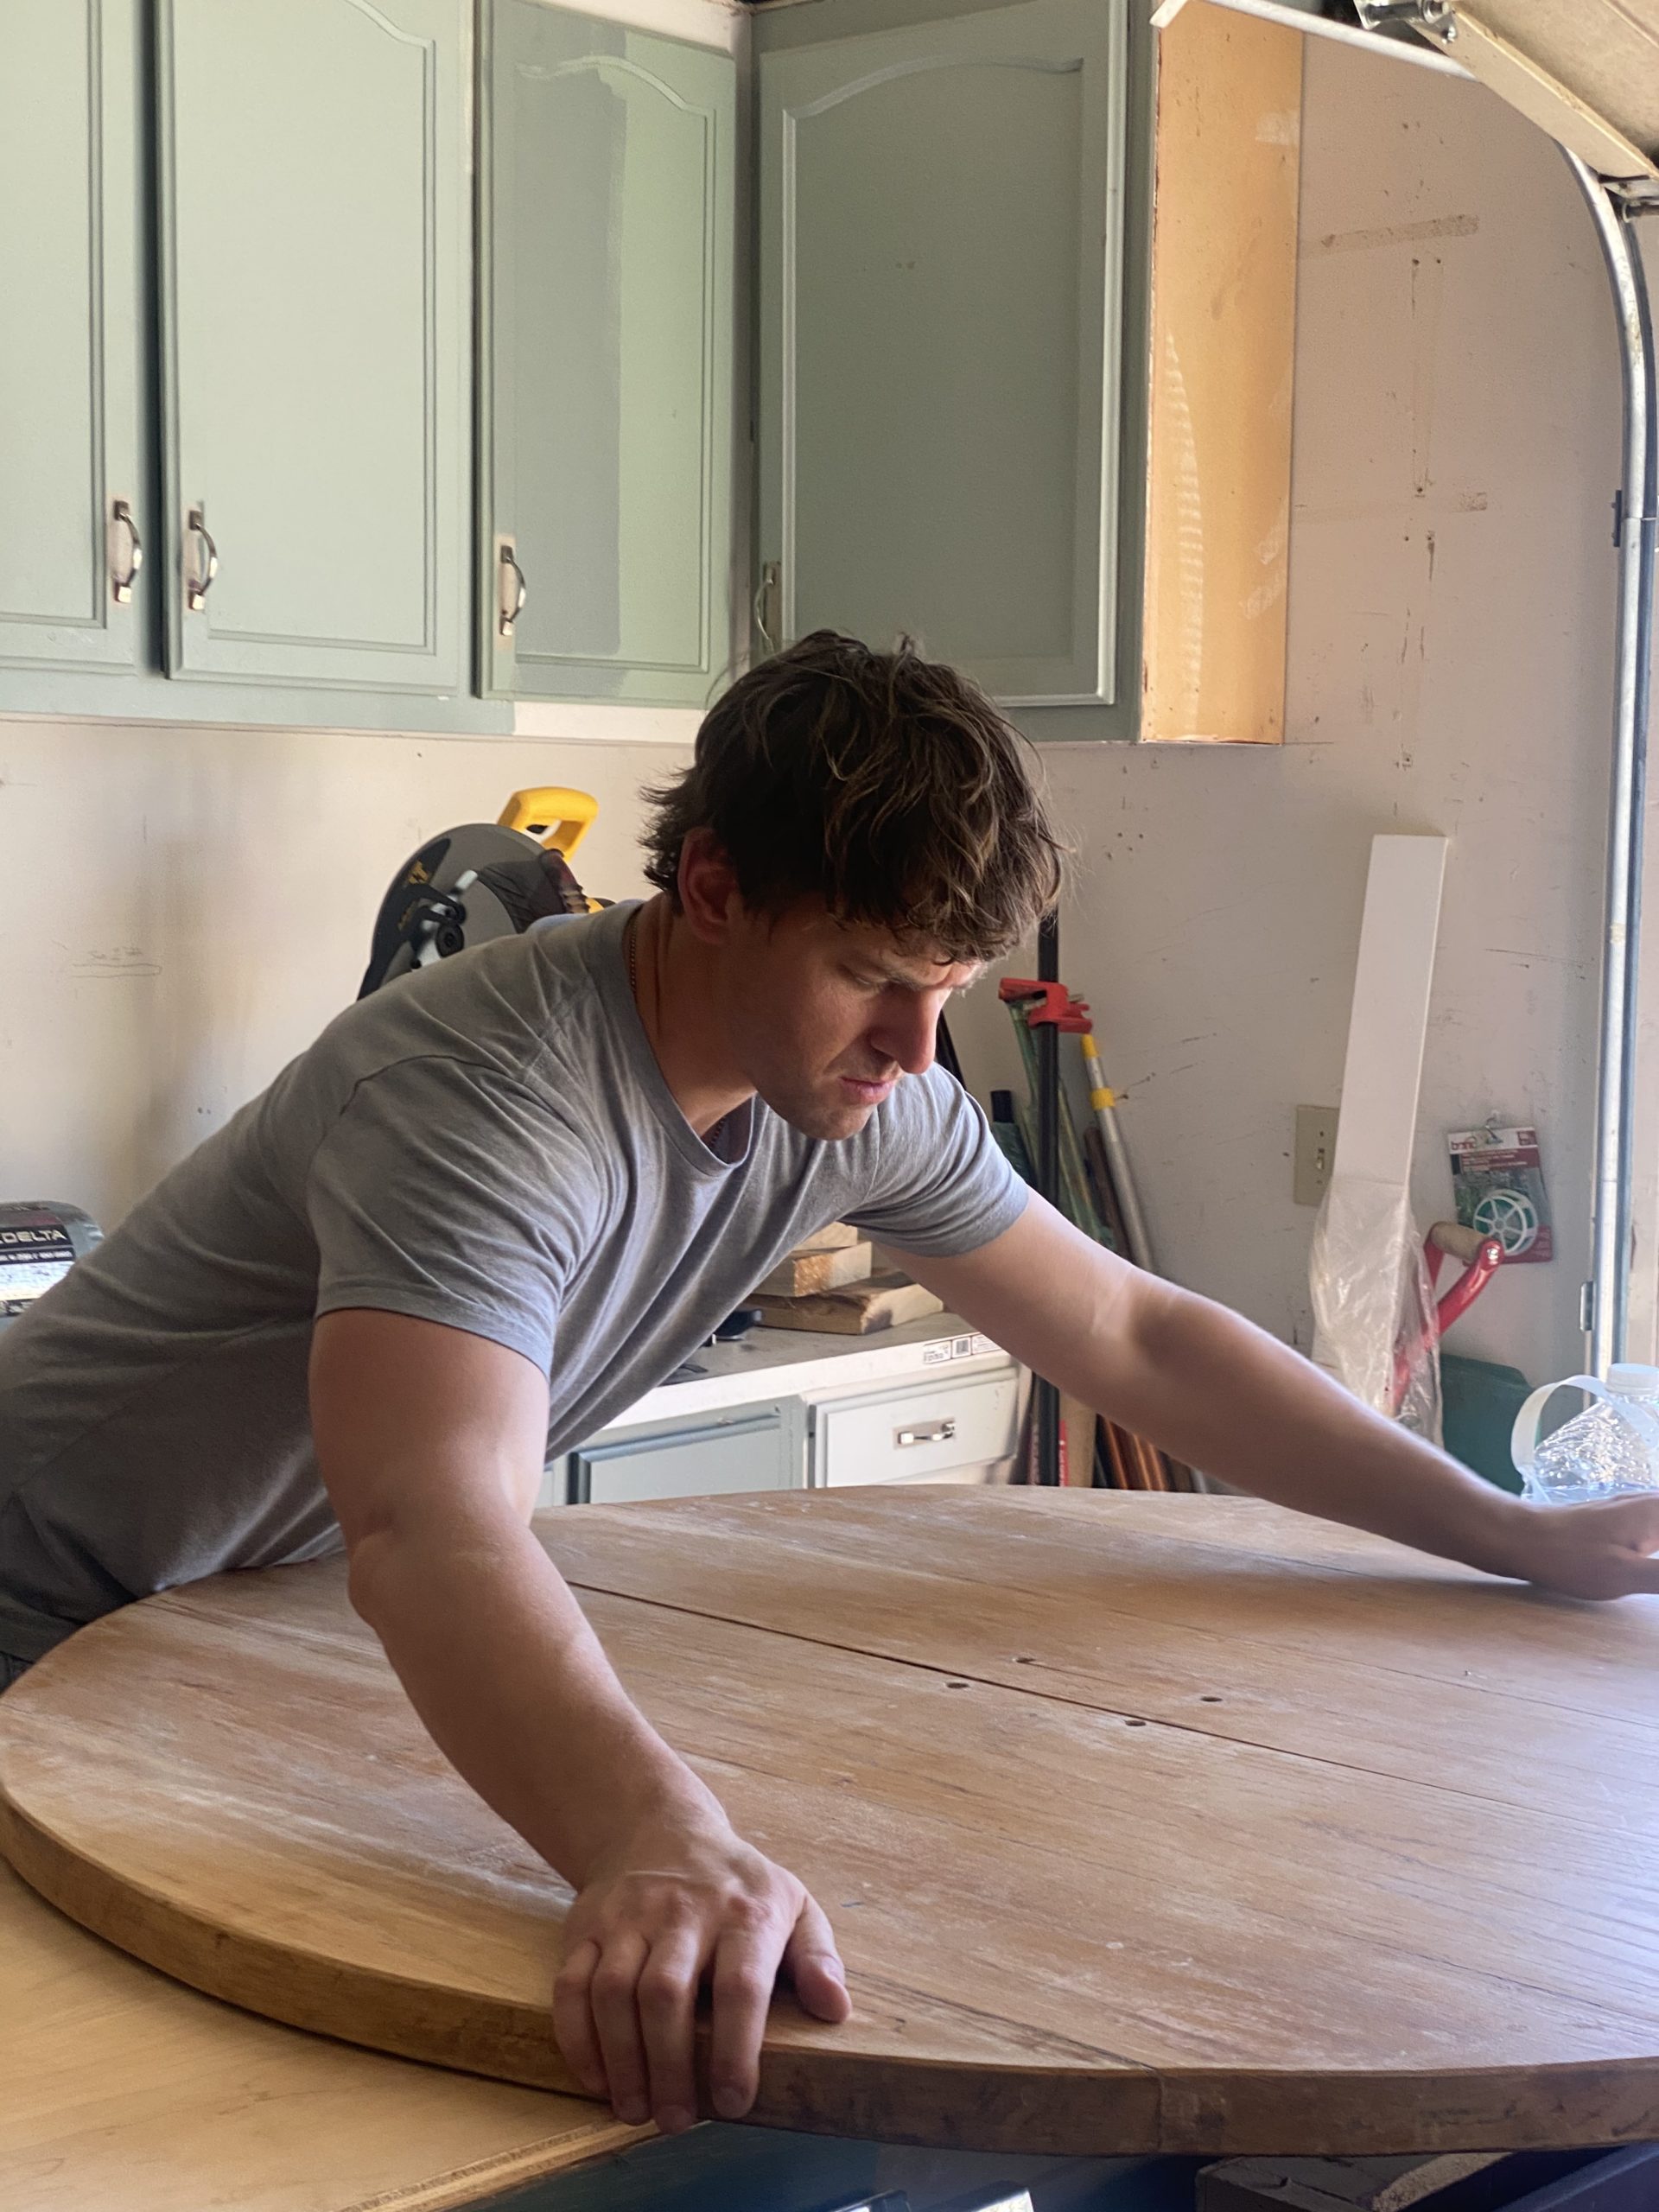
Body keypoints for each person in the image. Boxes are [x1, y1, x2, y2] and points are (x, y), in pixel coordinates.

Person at [3, 631, 1656, 2135]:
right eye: (876, 972)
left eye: (945, 988)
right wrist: (656, 1836)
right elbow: (433, 1526)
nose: (921, 1050)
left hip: (221, 1632)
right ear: (712, 887)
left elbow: (1135, 1339)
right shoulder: (484, 1097)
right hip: (31, 1620)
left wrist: (1507, 1528)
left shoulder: (857, 1100)